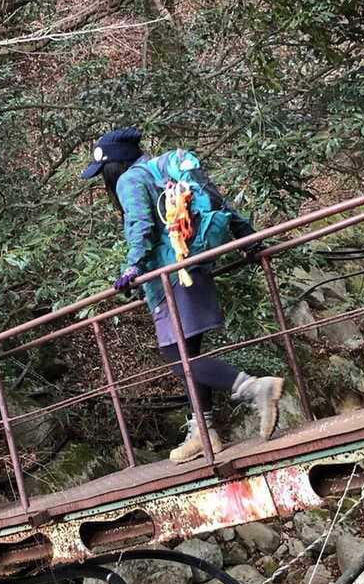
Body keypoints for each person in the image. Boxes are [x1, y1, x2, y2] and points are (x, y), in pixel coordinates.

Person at [82, 127, 285, 463]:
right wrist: (248, 238)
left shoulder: (130, 180)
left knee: (176, 358)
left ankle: (254, 388)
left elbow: (141, 224)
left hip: (172, 277)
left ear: (114, 164)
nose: (105, 178)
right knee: (189, 354)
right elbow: (218, 202)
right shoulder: (163, 173)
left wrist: (132, 267)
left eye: (104, 171)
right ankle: (204, 432)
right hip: (194, 266)